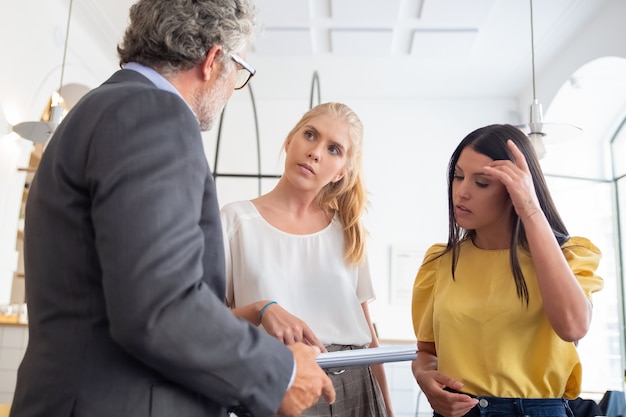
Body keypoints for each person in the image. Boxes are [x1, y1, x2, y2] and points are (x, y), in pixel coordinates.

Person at [10, 1, 335, 416]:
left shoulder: (98, 108)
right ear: (213, 60)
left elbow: (130, 295)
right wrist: (282, 372)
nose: (234, 85)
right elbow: (160, 305)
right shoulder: (153, 113)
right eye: (240, 70)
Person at [411, 124, 603, 417]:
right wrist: (426, 380)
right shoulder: (439, 262)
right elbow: (426, 353)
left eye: (482, 183)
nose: (461, 192)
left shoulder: (569, 255)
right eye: (458, 176)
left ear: (516, 189)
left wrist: (530, 209)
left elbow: (573, 327)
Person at [220, 102, 394, 417]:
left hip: (356, 386)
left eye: (334, 149)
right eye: (310, 135)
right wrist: (261, 309)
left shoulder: (349, 232)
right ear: (290, 140)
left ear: (341, 171)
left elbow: (369, 339)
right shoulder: (235, 221)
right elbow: (208, 320)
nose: (315, 152)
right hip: (279, 385)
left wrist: (389, 410)